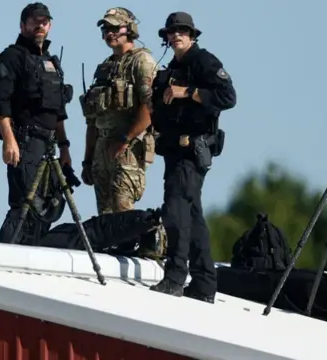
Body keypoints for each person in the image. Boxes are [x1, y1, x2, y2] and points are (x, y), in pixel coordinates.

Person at [149, 12, 236, 302]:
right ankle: (203, 283)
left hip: (192, 151)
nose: (176, 36)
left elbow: (228, 97)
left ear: (193, 35)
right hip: (174, 151)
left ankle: (175, 277)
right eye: (172, 32)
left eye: (182, 31)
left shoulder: (203, 61)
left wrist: (188, 91)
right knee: (193, 215)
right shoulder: (172, 67)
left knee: (175, 210)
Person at [79, 8, 163, 257]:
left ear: (130, 29)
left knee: (122, 208)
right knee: (106, 220)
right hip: (102, 149)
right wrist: (88, 158)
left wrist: (125, 140)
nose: (109, 33)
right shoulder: (104, 67)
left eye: (115, 28)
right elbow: (92, 121)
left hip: (128, 148)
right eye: (105, 29)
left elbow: (149, 108)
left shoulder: (142, 61)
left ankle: (150, 245)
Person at [0, 3, 74, 245]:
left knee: (46, 206)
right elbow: (0, 103)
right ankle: (1, 259)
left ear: (50, 25)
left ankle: (29, 253)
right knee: (23, 204)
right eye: (35, 21)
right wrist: (9, 140)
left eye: (44, 21)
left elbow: (58, 111)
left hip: (49, 146)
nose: (40, 25)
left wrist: (64, 147)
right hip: (24, 142)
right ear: (23, 24)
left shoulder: (51, 63)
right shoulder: (11, 57)